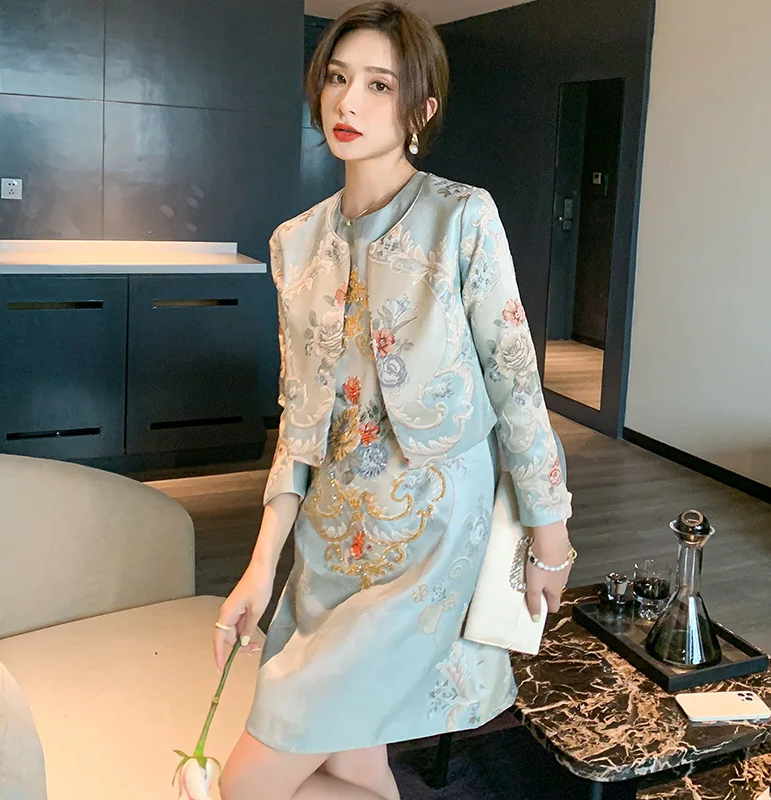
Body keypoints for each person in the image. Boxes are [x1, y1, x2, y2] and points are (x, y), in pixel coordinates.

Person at [214, 3, 574, 798]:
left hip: (430, 536)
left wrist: (550, 535)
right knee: (350, 759)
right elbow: (299, 423)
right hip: (328, 540)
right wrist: (260, 567)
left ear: (420, 110)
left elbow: (515, 380)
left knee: (248, 778)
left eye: (379, 85)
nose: (348, 102)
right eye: (338, 78)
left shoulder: (463, 218)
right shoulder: (294, 244)